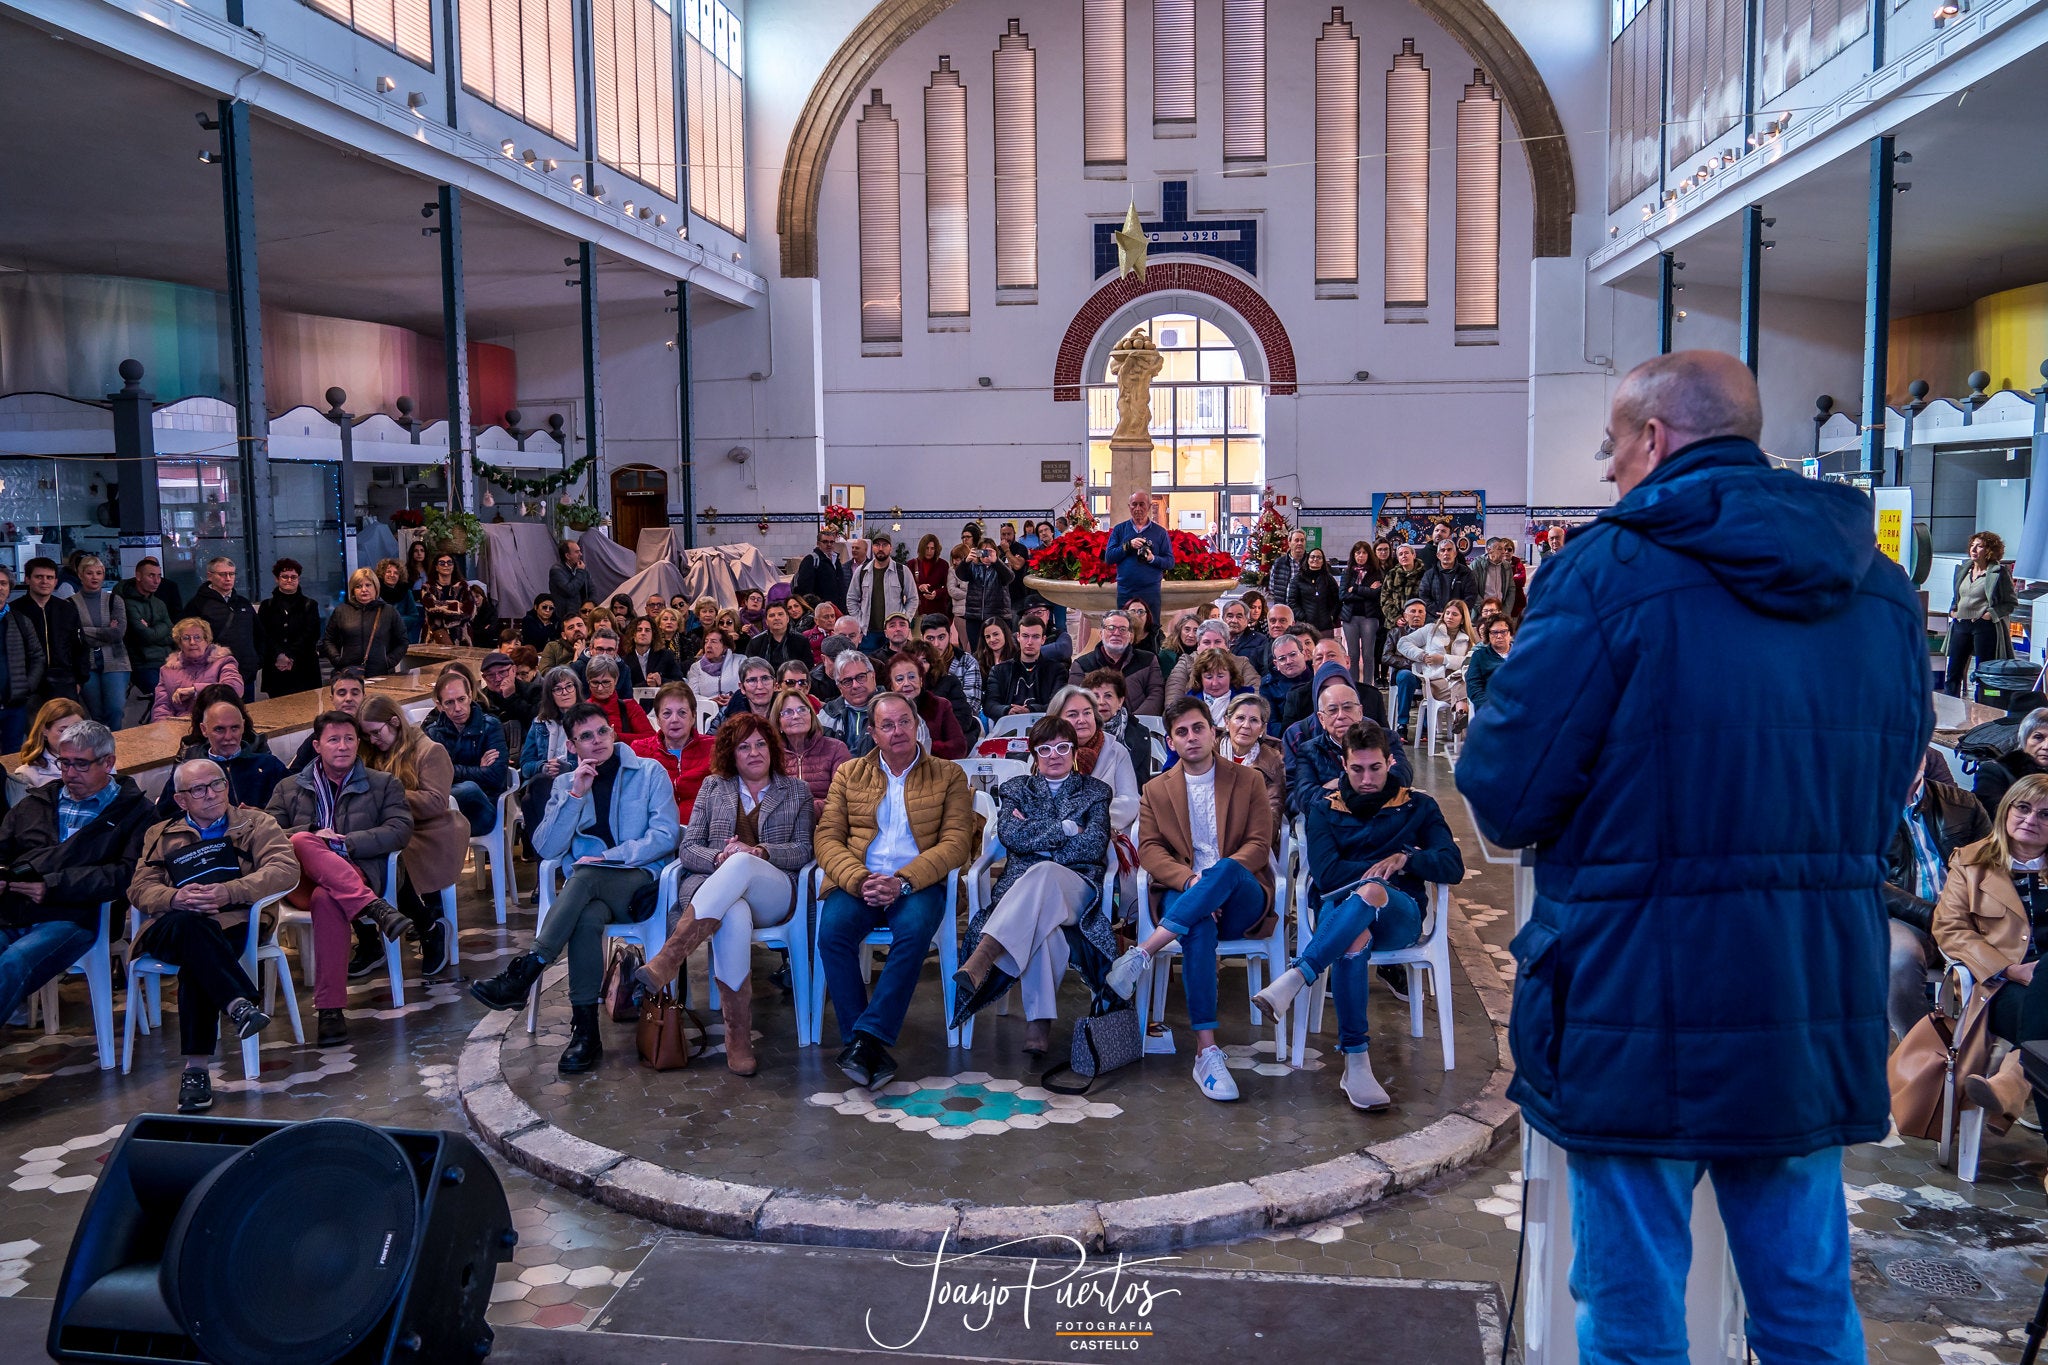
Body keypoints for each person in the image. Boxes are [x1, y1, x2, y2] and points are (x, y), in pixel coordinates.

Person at [1458, 349, 1930, 1359]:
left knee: (1631, 1318)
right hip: (1805, 996)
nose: (1609, 473)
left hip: (1638, 998)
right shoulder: (1881, 589)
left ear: (1653, 439)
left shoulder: (1607, 568)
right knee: (1805, 1309)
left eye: (1610, 449)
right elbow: (1894, 787)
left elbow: (1503, 795)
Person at [1254, 719, 1463, 1109]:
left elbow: (1452, 865)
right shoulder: (1324, 808)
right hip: (1343, 916)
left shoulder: (1418, 805)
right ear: (1344, 767)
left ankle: (1299, 975)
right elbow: (1326, 872)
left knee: (1373, 891)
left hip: (1400, 917)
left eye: (1375, 768)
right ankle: (1356, 1062)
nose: (1367, 778)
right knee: (1356, 931)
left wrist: (1407, 858)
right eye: (1357, 769)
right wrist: (1380, 868)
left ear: (1389, 762)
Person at [469, 702, 680, 1075]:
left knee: (583, 874)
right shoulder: (567, 784)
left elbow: (664, 836)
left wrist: (613, 856)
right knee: (584, 917)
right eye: (585, 736)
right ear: (571, 746)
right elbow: (547, 848)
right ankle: (585, 1034)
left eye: (601, 732)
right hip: (590, 895)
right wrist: (576, 796)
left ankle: (528, 968)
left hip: (639, 883)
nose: (596, 741)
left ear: (613, 733)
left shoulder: (649, 772)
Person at [1106, 698, 1276, 1101]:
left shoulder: (1248, 780)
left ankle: (1143, 952)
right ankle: (1206, 1052)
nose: (1191, 737)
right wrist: (1191, 882)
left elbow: (1258, 844)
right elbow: (1149, 850)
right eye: (1181, 732)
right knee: (1198, 924)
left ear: (1213, 733)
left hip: (1241, 897)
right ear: (1171, 741)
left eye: (1198, 728)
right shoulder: (1156, 790)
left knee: (1229, 869)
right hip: (1184, 898)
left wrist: (1213, 879)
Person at [628, 713, 815, 1075]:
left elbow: (804, 850)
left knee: (743, 865)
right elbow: (689, 848)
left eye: (761, 743)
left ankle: (670, 957)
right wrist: (718, 856)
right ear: (732, 753)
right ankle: (738, 1036)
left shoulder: (796, 791)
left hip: (774, 892)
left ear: (772, 749)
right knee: (733, 912)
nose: (754, 752)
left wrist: (757, 852)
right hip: (721, 894)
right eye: (744, 746)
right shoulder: (714, 787)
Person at [814, 690, 975, 1088]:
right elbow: (827, 838)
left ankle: (865, 1039)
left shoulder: (949, 774)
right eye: (887, 724)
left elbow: (956, 843)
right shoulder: (850, 774)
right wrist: (859, 879)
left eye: (905, 721)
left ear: (917, 724)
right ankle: (865, 1043)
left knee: (914, 932)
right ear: (872, 732)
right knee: (831, 934)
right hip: (860, 880)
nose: (898, 730)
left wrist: (902, 881)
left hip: (918, 882)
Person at [129, 757, 300, 1113]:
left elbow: (284, 869)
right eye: (198, 789)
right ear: (181, 800)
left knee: (199, 955)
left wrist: (230, 891)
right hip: (172, 924)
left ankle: (196, 1071)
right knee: (192, 927)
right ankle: (239, 1004)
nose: (211, 794)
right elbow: (139, 889)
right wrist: (175, 897)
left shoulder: (256, 823)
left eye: (217, 784)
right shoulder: (160, 834)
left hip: (235, 921)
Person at [952, 714, 1114, 1053]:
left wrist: (1039, 838)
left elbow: (1094, 845)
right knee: (1046, 930)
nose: (1054, 755)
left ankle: (985, 954)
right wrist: (1068, 828)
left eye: (1062, 747)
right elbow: (1012, 838)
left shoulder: (1096, 792)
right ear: (1034, 755)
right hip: (1023, 896)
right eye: (1045, 749)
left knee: (1041, 871)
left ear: (1073, 751)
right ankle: (1038, 1026)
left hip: (1078, 888)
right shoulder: (1015, 790)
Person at [266, 711, 414, 1043]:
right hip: (301, 880)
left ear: (358, 743)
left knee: (328, 897)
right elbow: (268, 833)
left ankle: (330, 1011)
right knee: (304, 839)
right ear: (317, 745)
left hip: (355, 872)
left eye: (349, 739)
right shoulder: (288, 787)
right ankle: (376, 910)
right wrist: (316, 835)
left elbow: (400, 830)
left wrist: (347, 843)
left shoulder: (383, 784)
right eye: (334, 740)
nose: (343, 746)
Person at [0, 721, 152, 1030]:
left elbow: (127, 875)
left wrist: (53, 885)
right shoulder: (35, 803)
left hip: (79, 917)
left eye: (80, 764)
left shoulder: (136, 812)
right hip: (15, 909)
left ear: (108, 762)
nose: (69, 773)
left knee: (14, 962)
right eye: (64, 762)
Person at [1936, 774, 2048, 1136]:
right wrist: (2010, 969)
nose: (2031, 820)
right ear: (2006, 809)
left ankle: (2014, 1079)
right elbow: (1950, 929)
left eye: (2046, 814)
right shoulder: (1971, 863)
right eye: (2023, 807)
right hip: (1998, 988)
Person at [360, 695, 465, 974]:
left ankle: (427, 925)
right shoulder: (373, 753)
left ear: (394, 722)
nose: (371, 740)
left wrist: (389, 794)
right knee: (351, 857)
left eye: (375, 732)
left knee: (391, 859)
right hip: (392, 828)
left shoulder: (430, 751)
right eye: (367, 734)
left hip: (429, 831)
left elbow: (435, 802)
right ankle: (374, 938)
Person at [1884, 759, 1989, 1041]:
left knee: (2014, 952)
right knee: (1898, 958)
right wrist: (1933, 915)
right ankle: (1920, 1053)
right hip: (1901, 918)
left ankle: (1984, 1057)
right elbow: (1864, 880)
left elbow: (1991, 864)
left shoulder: (1963, 803)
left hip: (1966, 914)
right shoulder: (1856, 808)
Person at [1287, 675, 1411, 814]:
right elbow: (1306, 799)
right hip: (1331, 825)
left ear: (1360, 712)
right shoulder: (1308, 750)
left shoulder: (1387, 738)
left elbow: (1401, 778)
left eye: (1347, 708)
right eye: (1332, 710)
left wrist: (1339, 784)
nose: (1341, 715)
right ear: (1321, 719)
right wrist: (1371, 784)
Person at [158, 696, 286, 814]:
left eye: (234, 728)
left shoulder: (269, 765)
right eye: (219, 729)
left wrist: (265, 817)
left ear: (243, 726)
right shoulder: (187, 774)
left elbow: (294, 812)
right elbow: (164, 818)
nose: (228, 737)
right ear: (204, 730)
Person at [422, 667, 510, 837]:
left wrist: (452, 769)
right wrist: (478, 767)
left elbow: (496, 775)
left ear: (470, 695)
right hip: (446, 810)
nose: (458, 708)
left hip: (484, 808)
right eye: (449, 702)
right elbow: (431, 777)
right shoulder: (433, 732)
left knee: (469, 789)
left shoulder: (491, 726)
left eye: (461, 699)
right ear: (440, 706)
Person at [1945, 530, 2018, 697]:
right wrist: (1953, 610)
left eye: (1979, 546)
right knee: (1953, 670)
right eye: (1972, 545)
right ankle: (1949, 706)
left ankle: (1985, 703)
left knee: (1984, 671)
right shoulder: (1963, 569)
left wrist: (1990, 614)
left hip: (1983, 625)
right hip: (1961, 623)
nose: (1974, 549)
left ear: (1989, 551)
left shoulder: (1998, 573)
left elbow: (2010, 603)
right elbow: (1958, 594)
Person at [630, 681, 715, 822]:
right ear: (657, 719)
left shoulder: (714, 747)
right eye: (667, 714)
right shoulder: (640, 750)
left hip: (704, 827)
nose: (674, 720)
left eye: (682, 713)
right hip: (656, 829)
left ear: (693, 716)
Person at [519, 668, 587, 840]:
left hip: (578, 782)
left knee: (533, 795)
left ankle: (549, 850)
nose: (565, 692)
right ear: (550, 695)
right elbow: (525, 765)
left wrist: (567, 768)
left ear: (576, 689)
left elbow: (596, 759)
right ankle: (547, 856)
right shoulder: (539, 724)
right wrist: (543, 767)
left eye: (569, 686)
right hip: (545, 782)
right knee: (536, 788)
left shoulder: (588, 720)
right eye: (558, 689)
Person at [70, 556, 130, 732]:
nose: (94, 577)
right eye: (89, 573)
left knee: (115, 709)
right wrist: (104, 630)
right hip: (85, 663)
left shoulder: (114, 600)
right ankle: (98, 752)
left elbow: (118, 633)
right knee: (96, 714)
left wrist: (86, 630)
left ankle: (117, 747)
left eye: (99, 573)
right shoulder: (69, 603)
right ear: (80, 575)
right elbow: (74, 636)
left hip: (116, 660)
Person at [17, 558, 87, 706]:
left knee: (65, 728)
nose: (44, 581)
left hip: (64, 681)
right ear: (27, 579)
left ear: (56, 581)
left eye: (49, 577)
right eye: (39, 577)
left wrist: (79, 680)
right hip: (28, 683)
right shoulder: (15, 611)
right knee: (33, 728)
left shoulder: (67, 609)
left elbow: (80, 646)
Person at [1068, 610, 1165, 717]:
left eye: (1123, 629)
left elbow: (1156, 694)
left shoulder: (1148, 660)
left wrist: (1133, 722)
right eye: (1111, 628)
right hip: (1096, 725)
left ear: (1130, 636)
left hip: (1139, 723)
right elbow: (1076, 699)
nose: (1116, 633)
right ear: (1101, 633)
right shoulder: (1082, 664)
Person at [1220, 693, 1285, 846]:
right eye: (1240, 718)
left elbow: (1272, 813)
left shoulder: (1273, 762)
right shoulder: (1208, 753)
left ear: (1262, 728)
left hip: (1249, 842)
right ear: (1227, 722)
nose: (1246, 726)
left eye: (1254, 720)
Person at [191, 557, 259, 700]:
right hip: (215, 675)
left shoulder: (243, 603)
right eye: (222, 574)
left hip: (245, 673)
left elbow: (258, 633)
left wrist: (256, 661)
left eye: (231, 574)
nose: (228, 578)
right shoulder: (198, 605)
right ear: (210, 576)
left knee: (247, 717)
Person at [151, 618, 243, 722]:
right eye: (186, 638)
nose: (192, 642)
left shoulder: (223, 662)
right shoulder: (167, 670)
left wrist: (195, 690)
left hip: (215, 724)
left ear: (207, 640)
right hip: (178, 727)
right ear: (179, 643)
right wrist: (164, 730)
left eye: (197, 637)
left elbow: (235, 688)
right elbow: (161, 707)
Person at [322, 567, 406, 680]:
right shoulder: (341, 611)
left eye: (368, 585)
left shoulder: (388, 611)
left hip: (381, 675)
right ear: (353, 590)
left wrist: (388, 662)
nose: (364, 589)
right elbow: (328, 640)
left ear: (375, 587)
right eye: (358, 586)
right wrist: (338, 660)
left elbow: (402, 641)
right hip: (348, 675)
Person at [1104, 492, 1175, 623]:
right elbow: (1109, 557)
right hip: (1126, 590)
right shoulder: (1120, 530)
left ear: (1148, 506)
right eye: (1134, 504)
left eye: (1142, 504)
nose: (1138, 508)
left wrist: (1153, 558)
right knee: (1124, 627)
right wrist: (1128, 546)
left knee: (1152, 629)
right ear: (1129, 506)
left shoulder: (1160, 532)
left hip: (1150, 590)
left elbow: (1170, 562)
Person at [257, 558, 322, 699]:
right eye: (284, 576)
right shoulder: (267, 606)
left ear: (298, 579)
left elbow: (311, 635)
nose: (289, 580)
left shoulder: (310, 605)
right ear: (277, 579)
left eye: (293, 577)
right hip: (276, 668)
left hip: (304, 667)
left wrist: (289, 656)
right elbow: (263, 635)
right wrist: (279, 655)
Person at [117, 557, 174, 719]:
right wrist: (160, 631)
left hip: (166, 660)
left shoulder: (159, 603)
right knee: (163, 698)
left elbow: (173, 634)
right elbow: (145, 636)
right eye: (151, 576)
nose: (156, 581)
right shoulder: (127, 603)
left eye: (159, 576)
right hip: (142, 664)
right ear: (138, 576)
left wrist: (153, 630)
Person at [886, 652, 967, 760]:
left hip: (935, 771)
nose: (906, 683)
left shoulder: (941, 706)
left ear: (921, 680)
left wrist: (924, 746)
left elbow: (959, 748)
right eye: (899, 679)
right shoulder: (883, 712)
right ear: (892, 686)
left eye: (911, 677)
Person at [1085, 668, 1155, 784]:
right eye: (1095, 696)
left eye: (1108, 696)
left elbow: (1141, 781)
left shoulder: (1140, 734)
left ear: (1120, 701)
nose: (1101, 702)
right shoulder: (1079, 732)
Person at [984, 616, 1062, 718]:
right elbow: (989, 705)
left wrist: (1031, 710)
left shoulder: (1056, 670)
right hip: (1007, 726)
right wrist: (1008, 710)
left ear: (1043, 640)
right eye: (1025, 636)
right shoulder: (999, 671)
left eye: (1035, 637)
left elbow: (1058, 704)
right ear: (1018, 637)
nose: (1029, 642)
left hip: (1045, 725)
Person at [1976, 708, 2048, 815]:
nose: (2046, 746)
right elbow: (1995, 818)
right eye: (2038, 737)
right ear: (2024, 740)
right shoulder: (1994, 772)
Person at [1338, 542, 1385, 687]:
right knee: (1352, 655)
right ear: (1353, 555)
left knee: (1368, 655)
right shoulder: (1347, 572)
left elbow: (1376, 595)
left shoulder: (1376, 572)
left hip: (1369, 617)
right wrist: (1366, 592)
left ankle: (1368, 686)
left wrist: (1356, 589)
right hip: (1350, 617)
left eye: (1364, 553)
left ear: (1368, 555)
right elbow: (1343, 595)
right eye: (1358, 553)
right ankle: (1353, 685)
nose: (1361, 556)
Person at [819, 650, 881, 757]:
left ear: (873, 676)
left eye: (861, 677)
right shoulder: (827, 714)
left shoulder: (895, 707)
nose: (855, 685)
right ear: (840, 688)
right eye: (847, 681)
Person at [1259, 631, 1314, 738]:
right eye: (1282, 659)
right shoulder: (1268, 685)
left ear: (1303, 654)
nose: (1288, 661)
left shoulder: (1318, 675)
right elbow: (1272, 724)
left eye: (1293, 654)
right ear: (1276, 664)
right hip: (1288, 739)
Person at [585, 655, 651, 739]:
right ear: (588, 681)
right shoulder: (582, 710)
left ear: (615, 680)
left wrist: (618, 737)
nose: (600, 688)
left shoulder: (630, 707)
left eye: (606, 682)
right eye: (595, 683)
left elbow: (650, 738)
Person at [1416, 539, 1477, 620]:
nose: (1446, 553)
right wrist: (1438, 611)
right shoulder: (1429, 574)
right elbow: (1423, 595)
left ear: (1455, 554)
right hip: (1435, 618)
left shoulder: (1466, 573)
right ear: (1438, 555)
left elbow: (1471, 596)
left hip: (1459, 618)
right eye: (1442, 550)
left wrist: (1454, 612)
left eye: (1449, 550)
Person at [794, 527, 850, 612]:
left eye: (831, 542)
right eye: (825, 542)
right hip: (821, 609)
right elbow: (805, 588)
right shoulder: (811, 560)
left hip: (838, 608)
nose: (829, 544)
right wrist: (817, 605)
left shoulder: (836, 559)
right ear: (818, 543)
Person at [748, 599, 814, 669]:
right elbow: (750, 668)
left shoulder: (801, 640)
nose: (776, 618)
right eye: (772, 615)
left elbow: (807, 668)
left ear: (787, 619)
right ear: (766, 621)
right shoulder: (756, 642)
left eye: (780, 614)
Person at [687, 627, 743, 709]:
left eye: (713, 642)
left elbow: (748, 689)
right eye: (706, 642)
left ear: (724, 647)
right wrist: (710, 701)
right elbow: (691, 696)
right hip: (707, 710)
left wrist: (734, 699)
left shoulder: (740, 661)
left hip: (735, 708)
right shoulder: (696, 667)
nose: (708, 645)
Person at [1466, 617, 1514, 712]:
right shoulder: (1479, 656)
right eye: (1495, 632)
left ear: (1510, 633)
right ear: (1488, 635)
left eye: (1503, 631)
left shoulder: (1522, 653)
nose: (1499, 636)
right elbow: (1474, 688)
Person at [1475, 538, 1525, 622]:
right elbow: (1472, 591)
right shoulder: (1477, 564)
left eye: (1505, 549)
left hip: (1501, 612)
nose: (1504, 552)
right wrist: (1485, 610)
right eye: (1500, 549)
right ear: (1489, 550)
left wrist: (1505, 612)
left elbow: (1511, 589)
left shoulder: (1506, 566)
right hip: (1482, 614)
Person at [1377, 543, 1424, 629]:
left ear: (1413, 555)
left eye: (1406, 553)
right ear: (1398, 558)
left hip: (1419, 624)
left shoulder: (1424, 574)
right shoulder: (1392, 575)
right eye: (1400, 554)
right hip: (1395, 625)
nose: (1404, 556)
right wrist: (1397, 618)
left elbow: (1427, 598)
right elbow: (1385, 599)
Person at [1220, 599, 1270, 675]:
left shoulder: (1260, 641)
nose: (1234, 620)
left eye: (1239, 617)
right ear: (1223, 618)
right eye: (1230, 616)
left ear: (1247, 620)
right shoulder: (1215, 639)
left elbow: (1265, 671)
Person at [1266, 530, 1308, 617]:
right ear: (1289, 543)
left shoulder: (1310, 563)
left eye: (1302, 540)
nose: (1300, 543)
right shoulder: (1279, 563)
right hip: (1283, 611)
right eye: (1296, 540)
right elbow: (1272, 588)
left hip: (1305, 612)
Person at [549, 540, 594, 614]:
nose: (581, 554)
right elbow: (570, 590)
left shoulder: (581, 568)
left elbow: (592, 588)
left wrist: (591, 604)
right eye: (577, 552)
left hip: (583, 613)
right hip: (566, 615)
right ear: (567, 556)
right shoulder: (556, 570)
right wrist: (580, 572)